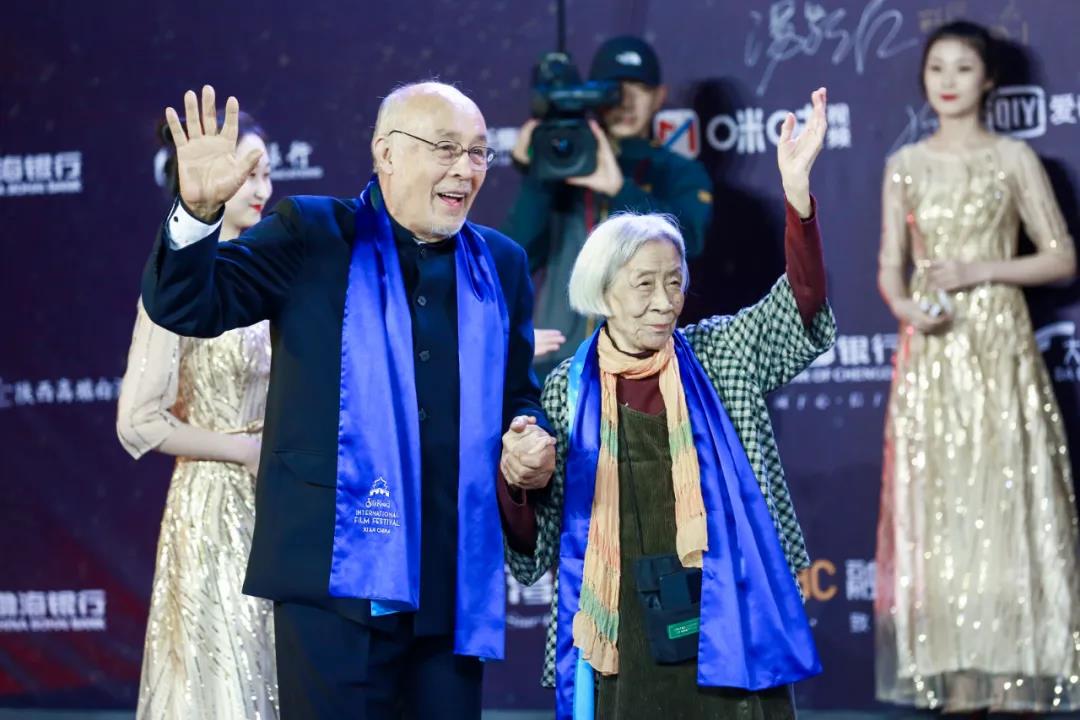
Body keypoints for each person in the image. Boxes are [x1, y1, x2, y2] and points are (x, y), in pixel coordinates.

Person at [140, 81, 555, 719]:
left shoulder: (500, 263)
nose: (465, 169)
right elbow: (187, 306)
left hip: (449, 584)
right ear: (385, 152)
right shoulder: (311, 233)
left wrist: (528, 435)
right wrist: (196, 215)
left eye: (478, 152)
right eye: (446, 148)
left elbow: (517, 394)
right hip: (332, 581)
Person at [509, 88, 833, 719]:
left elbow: (801, 304)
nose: (664, 302)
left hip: (728, 608)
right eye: (644, 285)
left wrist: (798, 201)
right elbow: (537, 536)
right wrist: (519, 481)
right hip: (618, 627)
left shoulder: (720, 354)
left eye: (675, 283)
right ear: (604, 292)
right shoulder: (566, 390)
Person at [874, 20, 1080, 714]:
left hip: (1000, 347)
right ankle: (958, 682)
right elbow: (889, 268)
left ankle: (1017, 677)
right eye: (937, 67)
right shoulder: (904, 164)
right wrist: (907, 307)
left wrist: (978, 270)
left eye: (963, 67)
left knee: (1008, 503)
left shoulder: (1013, 158)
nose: (949, 81)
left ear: (988, 80)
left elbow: (1061, 257)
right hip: (932, 355)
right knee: (943, 518)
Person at [117, 111, 278, 720]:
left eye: (267, 174)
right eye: (249, 173)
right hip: (212, 503)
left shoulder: (275, 276)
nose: (261, 188)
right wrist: (243, 449)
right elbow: (138, 419)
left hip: (281, 500)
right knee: (224, 675)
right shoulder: (176, 285)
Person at [503, 35, 713, 376]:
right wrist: (537, 176)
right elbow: (517, 255)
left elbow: (690, 241)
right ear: (591, 95)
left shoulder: (679, 172)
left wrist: (619, 188)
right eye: (613, 90)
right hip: (560, 366)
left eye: (639, 88)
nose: (626, 101)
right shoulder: (563, 168)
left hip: (647, 368)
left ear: (659, 96)